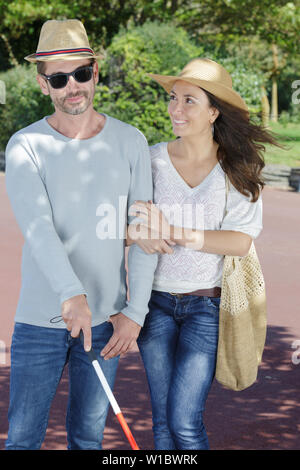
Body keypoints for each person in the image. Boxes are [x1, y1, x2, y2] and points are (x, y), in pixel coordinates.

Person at [5, 19, 157, 450]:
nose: (72, 86)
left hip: (107, 322)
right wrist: (71, 294)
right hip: (40, 321)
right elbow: (38, 228)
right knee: (22, 441)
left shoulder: (131, 142)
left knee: (89, 440)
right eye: (58, 78)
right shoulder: (25, 145)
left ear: (95, 69)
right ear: (42, 84)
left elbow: (145, 235)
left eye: (81, 73)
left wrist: (136, 311)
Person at [127, 58, 279, 450]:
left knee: (185, 421)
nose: (175, 109)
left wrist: (172, 232)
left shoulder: (236, 167)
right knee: (162, 423)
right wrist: (135, 234)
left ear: (214, 111)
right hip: (153, 305)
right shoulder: (152, 160)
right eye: (173, 98)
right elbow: (123, 226)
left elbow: (239, 241)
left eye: (189, 100)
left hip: (206, 307)